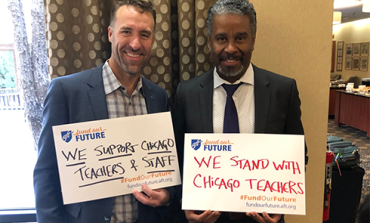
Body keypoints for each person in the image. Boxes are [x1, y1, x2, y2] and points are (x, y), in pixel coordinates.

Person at [33, 1, 174, 222]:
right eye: (126, 31)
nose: (135, 44)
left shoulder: (159, 97)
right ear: (110, 34)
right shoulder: (66, 92)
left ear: (153, 41)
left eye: (145, 35)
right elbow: (46, 175)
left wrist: (166, 195)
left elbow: (166, 170)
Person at [172, 0, 308, 222]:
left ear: (253, 40)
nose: (230, 48)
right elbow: (177, 159)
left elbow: (298, 155)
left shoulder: (283, 91)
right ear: (209, 42)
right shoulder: (185, 94)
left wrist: (281, 205)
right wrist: (183, 204)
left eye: (240, 38)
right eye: (221, 38)